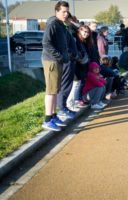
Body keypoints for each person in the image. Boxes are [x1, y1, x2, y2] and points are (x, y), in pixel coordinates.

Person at [41, 1, 70, 131]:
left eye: (67, 11)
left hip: (57, 61)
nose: (66, 14)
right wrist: (59, 56)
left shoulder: (60, 24)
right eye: (63, 11)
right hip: (51, 61)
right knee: (51, 91)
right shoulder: (52, 24)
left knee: (55, 90)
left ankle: (53, 116)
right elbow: (46, 43)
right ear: (56, 11)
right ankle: (47, 120)